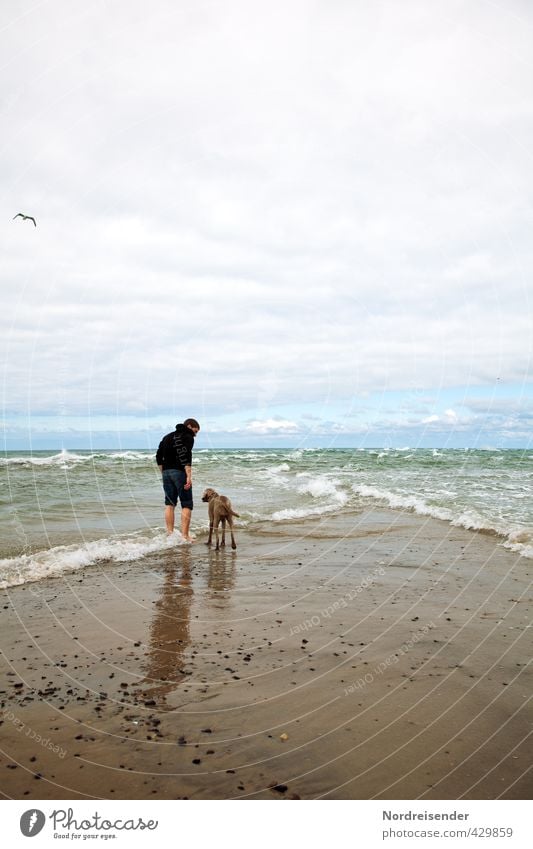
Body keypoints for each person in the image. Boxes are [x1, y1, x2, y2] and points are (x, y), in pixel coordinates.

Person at [156, 418, 200, 541]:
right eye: (195, 431)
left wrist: (163, 471)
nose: (195, 435)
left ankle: (170, 534)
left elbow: (158, 456)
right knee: (187, 504)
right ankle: (185, 536)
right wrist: (188, 477)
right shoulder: (188, 436)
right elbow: (186, 455)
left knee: (170, 504)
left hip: (166, 472)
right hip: (180, 472)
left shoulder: (167, 437)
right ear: (190, 426)